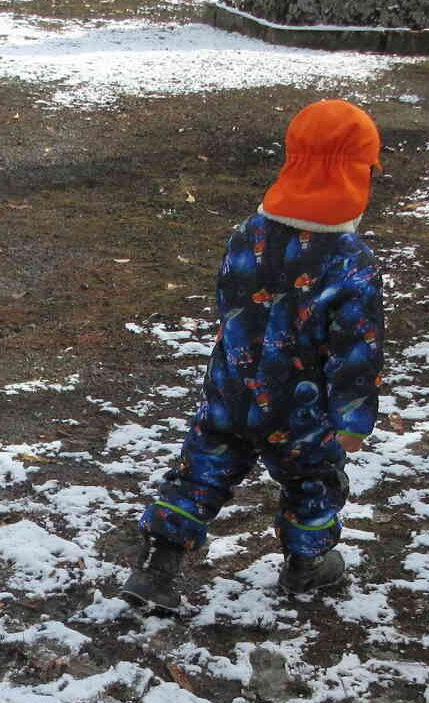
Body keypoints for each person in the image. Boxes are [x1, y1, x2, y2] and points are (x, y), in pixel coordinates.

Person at [120, 98, 384, 614]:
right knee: (314, 480)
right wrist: (353, 419)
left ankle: (157, 565)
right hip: (302, 408)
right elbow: (357, 348)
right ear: (359, 174)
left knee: (201, 470)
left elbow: (230, 300)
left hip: (232, 388)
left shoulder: (250, 233)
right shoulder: (352, 263)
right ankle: (307, 567)